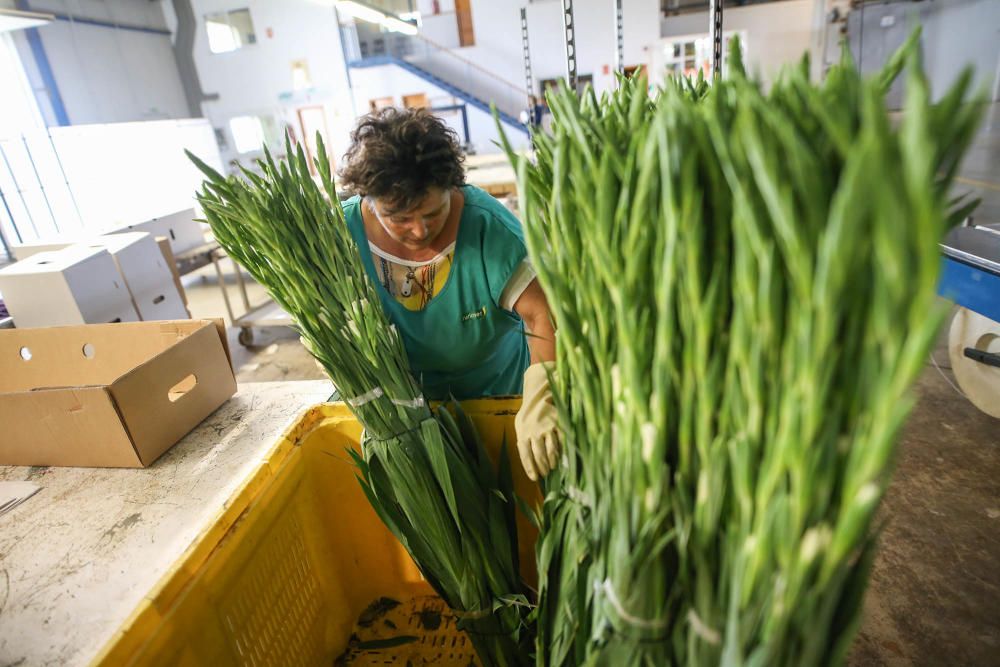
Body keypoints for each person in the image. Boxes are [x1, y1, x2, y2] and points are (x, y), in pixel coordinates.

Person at [338, 108, 559, 481]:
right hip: (398, 419)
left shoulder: (489, 228)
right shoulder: (340, 233)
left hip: (493, 407)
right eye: (399, 218)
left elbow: (542, 315)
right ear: (369, 200)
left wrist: (542, 397)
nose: (420, 230)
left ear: (452, 188)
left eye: (433, 212)